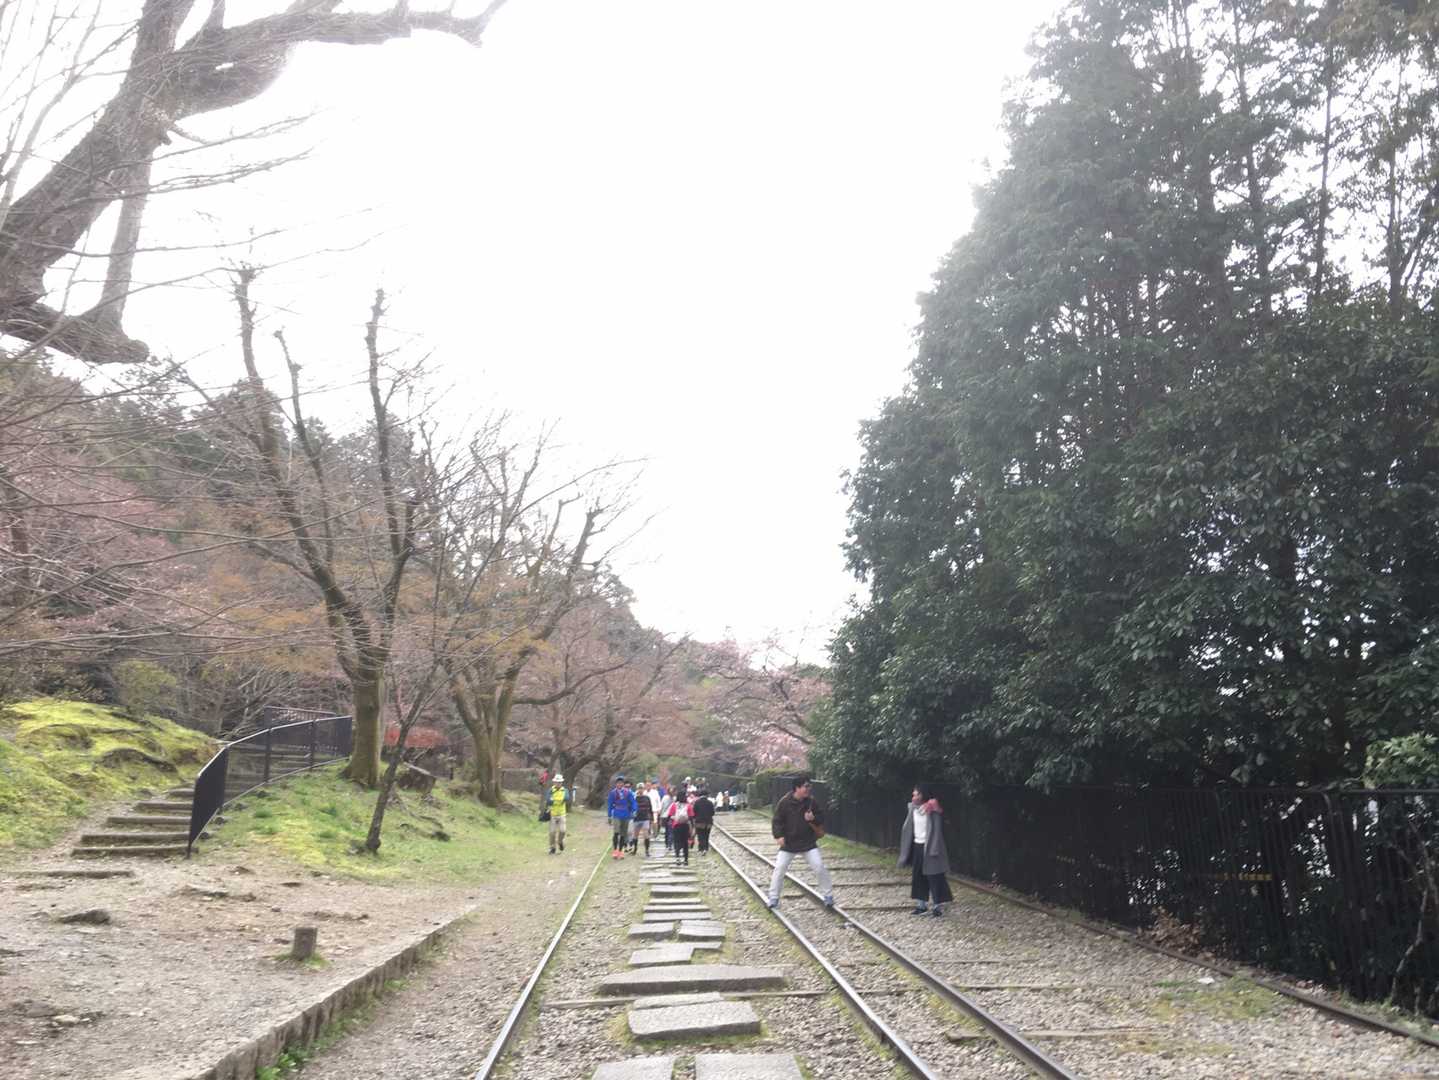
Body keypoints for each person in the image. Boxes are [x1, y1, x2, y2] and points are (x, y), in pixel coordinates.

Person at [767, 776, 834, 909]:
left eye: (809, 786)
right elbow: (777, 821)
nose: (808, 789)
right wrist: (778, 836)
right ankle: (773, 898)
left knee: (819, 866)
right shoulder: (784, 802)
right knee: (779, 868)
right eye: (806, 786)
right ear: (797, 788)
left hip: (808, 842)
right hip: (789, 843)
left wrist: (813, 818)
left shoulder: (811, 802)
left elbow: (821, 818)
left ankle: (828, 896)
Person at [899, 784, 954, 916]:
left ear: (923, 795)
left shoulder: (933, 809)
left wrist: (934, 848)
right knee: (918, 876)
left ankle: (937, 907)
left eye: (916, 794)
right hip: (917, 846)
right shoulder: (912, 809)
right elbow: (908, 829)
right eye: (913, 794)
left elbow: (937, 830)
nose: (914, 796)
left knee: (934, 876)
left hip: (930, 847)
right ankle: (921, 906)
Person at [607, 775, 635, 859]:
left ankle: (621, 850)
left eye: (621, 783)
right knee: (616, 832)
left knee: (623, 833)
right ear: (616, 784)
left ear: (623, 784)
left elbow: (633, 802)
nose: (619, 784)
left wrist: (633, 810)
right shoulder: (613, 793)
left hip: (626, 814)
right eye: (618, 783)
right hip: (617, 813)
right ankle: (615, 850)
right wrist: (609, 815)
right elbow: (610, 804)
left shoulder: (627, 792)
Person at [666, 795, 693, 866]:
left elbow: (669, 816)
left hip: (676, 826)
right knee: (685, 843)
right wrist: (692, 827)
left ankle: (677, 858)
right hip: (685, 826)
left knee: (677, 842)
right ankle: (686, 860)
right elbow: (691, 817)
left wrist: (668, 822)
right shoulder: (688, 805)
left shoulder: (674, 805)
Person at [631, 780, 655, 855]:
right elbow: (631, 808)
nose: (640, 790)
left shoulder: (647, 798)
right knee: (635, 834)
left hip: (645, 818)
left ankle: (647, 850)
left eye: (642, 788)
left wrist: (652, 818)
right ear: (637, 789)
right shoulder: (634, 798)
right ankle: (635, 849)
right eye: (639, 788)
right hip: (637, 818)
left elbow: (650, 808)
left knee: (646, 834)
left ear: (644, 789)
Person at [546, 773, 568, 855]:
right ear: (554, 782)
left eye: (560, 782)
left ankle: (560, 842)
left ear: (562, 783)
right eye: (557, 782)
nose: (558, 783)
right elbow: (548, 800)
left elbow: (566, 798)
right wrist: (559, 800)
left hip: (562, 814)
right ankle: (552, 848)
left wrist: (554, 800)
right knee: (552, 832)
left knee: (563, 831)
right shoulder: (550, 790)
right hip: (553, 814)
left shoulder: (565, 790)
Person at [692, 788, 715, 855]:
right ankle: (706, 848)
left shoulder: (697, 802)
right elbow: (712, 813)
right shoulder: (710, 803)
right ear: (707, 795)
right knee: (706, 835)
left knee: (700, 835)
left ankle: (701, 849)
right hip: (708, 822)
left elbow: (694, 812)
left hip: (699, 822)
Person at [658, 787, 675, 852]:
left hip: (669, 816)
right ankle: (668, 843)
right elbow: (661, 806)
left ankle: (668, 844)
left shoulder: (674, 798)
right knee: (669, 830)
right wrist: (660, 816)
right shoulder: (666, 798)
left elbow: (661, 806)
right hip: (666, 816)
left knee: (669, 830)